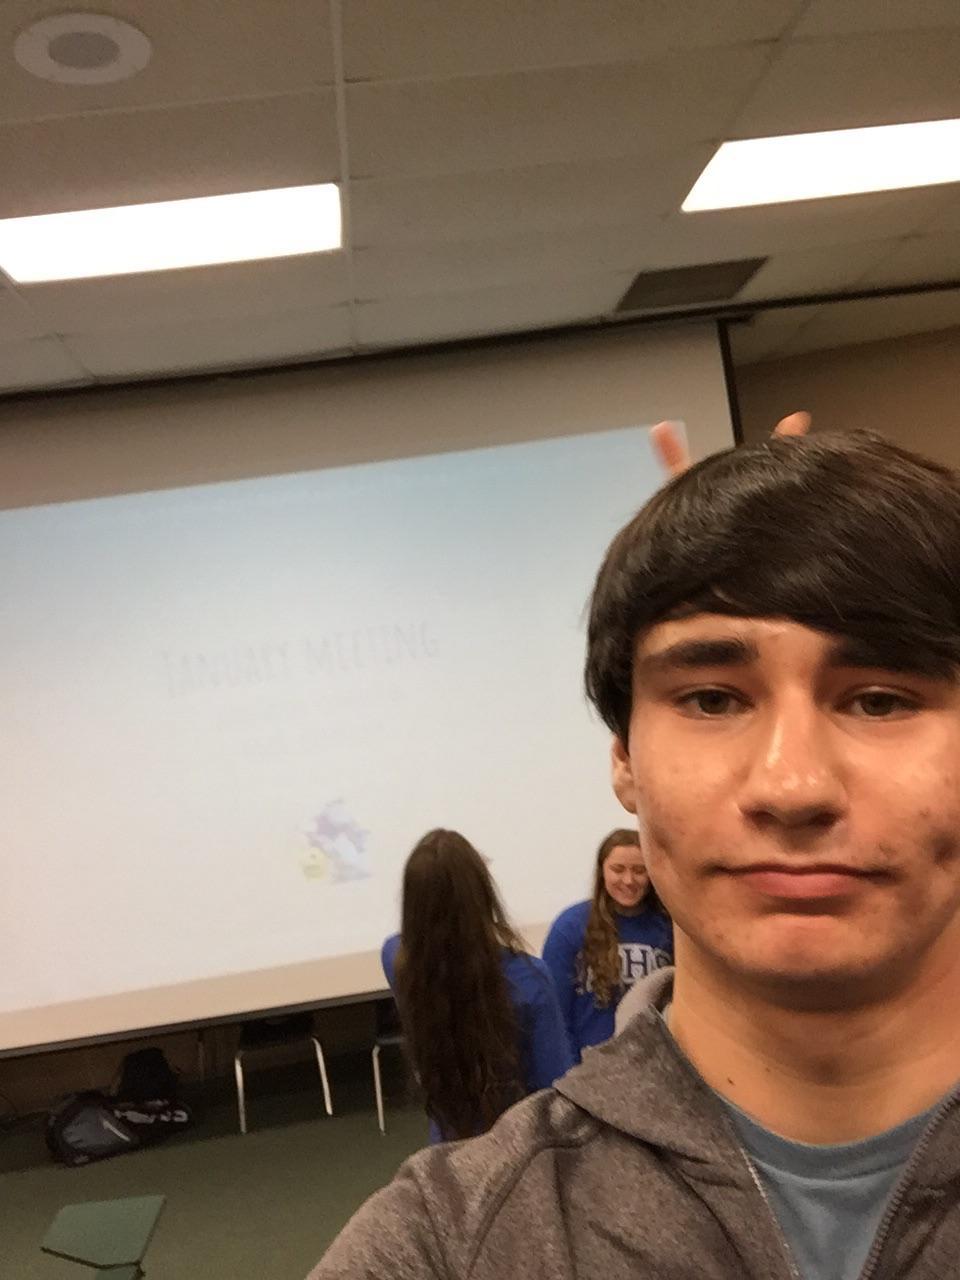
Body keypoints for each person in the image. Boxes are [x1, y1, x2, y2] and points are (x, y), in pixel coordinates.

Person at [310, 418, 960, 1280]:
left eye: (879, 700)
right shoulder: (451, 1244)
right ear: (624, 759)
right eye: (712, 699)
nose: (793, 786)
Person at [380, 828, 573, 1144]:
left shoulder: (395, 959)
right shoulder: (529, 979)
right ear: (482, 896)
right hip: (518, 1148)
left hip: (447, 1146)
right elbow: (555, 1087)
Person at [542, 827, 672, 1060]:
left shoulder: (670, 927)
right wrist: (572, 1069)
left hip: (654, 1061)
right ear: (602, 871)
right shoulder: (569, 927)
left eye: (639, 870)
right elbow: (555, 1012)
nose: (628, 880)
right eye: (618, 869)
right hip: (590, 1065)